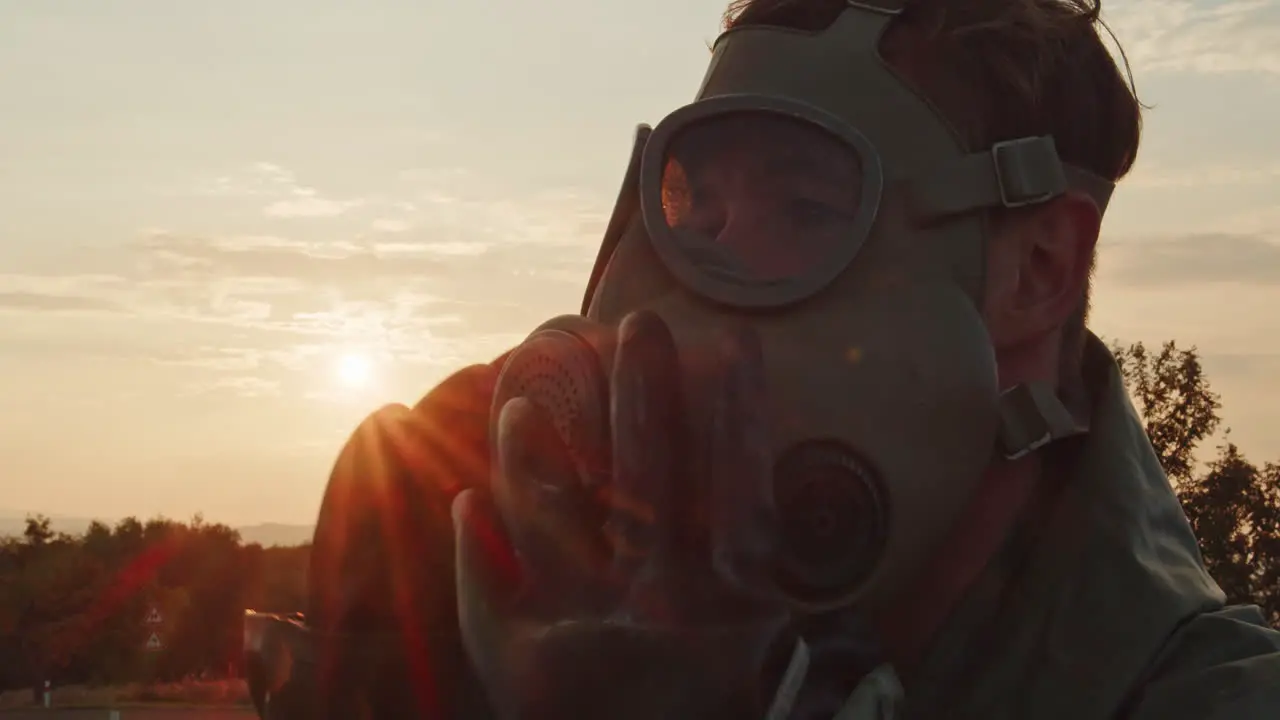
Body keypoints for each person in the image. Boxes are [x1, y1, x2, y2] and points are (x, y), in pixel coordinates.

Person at [282, 0, 1280, 718]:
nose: (685, 293)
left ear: (1037, 268)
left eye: (804, 210)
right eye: (689, 212)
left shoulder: (1210, 694)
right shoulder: (549, 599)